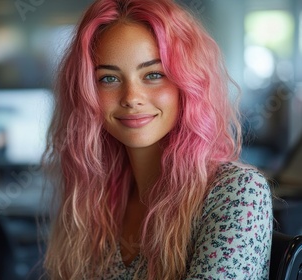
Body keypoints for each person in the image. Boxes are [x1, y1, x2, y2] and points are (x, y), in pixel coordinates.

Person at [42, 0, 272, 279]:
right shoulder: (92, 198)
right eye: (108, 79)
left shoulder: (237, 192)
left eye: (153, 74)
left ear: (187, 84)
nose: (131, 98)